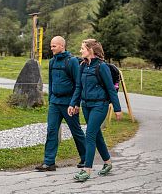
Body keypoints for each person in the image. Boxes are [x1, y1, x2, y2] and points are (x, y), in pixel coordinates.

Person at [68, 39, 122, 182]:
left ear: (91, 50)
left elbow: (111, 89)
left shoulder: (102, 67)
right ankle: (108, 162)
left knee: (90, 134)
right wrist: (73, 104)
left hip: (100, 105)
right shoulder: (82, 66)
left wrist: (117, 109)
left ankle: (87, 170)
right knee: (97, 135)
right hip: (86, 106)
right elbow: (78, 87)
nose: (80, 51)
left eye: (82, 48)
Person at [35, 36, 86, 172]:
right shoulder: (52, 62)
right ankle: (49, 162)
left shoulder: (72, 61)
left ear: (62, 46)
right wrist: (51, 99)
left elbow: (78, 84)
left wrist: (75, 103)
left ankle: (86, 158)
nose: (51, 48)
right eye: (51, 46)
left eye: (54, 46)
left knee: (76, 131)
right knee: (51, 131)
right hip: (55, 104)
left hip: (69, 103)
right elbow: (51, 83)